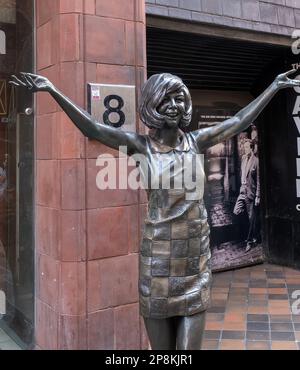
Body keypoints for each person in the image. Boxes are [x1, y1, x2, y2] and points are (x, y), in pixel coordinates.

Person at [9, 69, 300, 350]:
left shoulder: (195, 141)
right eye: (165, 100)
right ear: (152, 105)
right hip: (158, 258)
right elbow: (92, 127)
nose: (173, 106)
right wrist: (52, 89)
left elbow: (237, 121)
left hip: (194, 256)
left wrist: (273, 86)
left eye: (178, 99)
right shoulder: (140, 146)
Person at [234, 139, 260, 252]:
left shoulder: (256, 161)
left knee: (251, 217)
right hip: (242, 190)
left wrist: (258, 196)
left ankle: (249, 241)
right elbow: (242, 174)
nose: (245, 149)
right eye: (244, 147)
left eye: (247, 147)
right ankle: (254, 234)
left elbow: (259, 180)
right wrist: (241, 186)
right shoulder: (243, 158)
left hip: (251, 193)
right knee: (236, 211)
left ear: (252, 148)